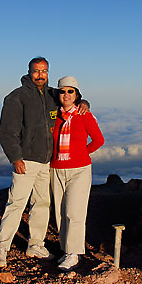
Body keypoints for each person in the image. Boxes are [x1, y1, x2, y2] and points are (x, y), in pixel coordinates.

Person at [0, 57, 89, 268]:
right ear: (29, 72)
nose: (40, 75)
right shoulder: (16, 97)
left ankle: (35, 244)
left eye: (44, 71)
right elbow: (6, 133)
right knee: (16, 203)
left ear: (48, 73)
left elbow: (70, 98)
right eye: (36, 71)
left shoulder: (52, 95)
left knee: (42, 204)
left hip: (48, 162)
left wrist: (84, 102)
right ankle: (2, 249)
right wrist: (15, 158)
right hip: (26, 161)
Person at [50, 76, 104, 272]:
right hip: (55, 169)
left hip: (79, 170)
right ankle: (65, 249)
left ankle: (74, 253)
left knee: (74, 211)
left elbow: (98, 140)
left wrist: (81, 154)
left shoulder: (84, 114)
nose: (66, 95)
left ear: (77, 94)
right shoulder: (53, 115)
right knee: (59, 212)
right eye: (63, 91)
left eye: (70, 91)